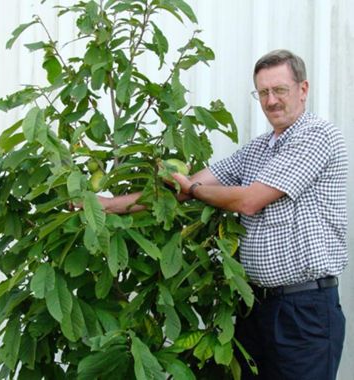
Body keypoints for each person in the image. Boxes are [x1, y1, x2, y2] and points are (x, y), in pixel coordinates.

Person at [96, 49, 348, 380]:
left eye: (280, 90)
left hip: (304, 311)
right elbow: (186, 187)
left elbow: (250, 200)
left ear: (303, 89)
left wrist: (195, 189)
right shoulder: (258, 149)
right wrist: (106, 205)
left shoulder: (318, 136)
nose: (271, 101)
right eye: (263, 92)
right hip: (255, 307)